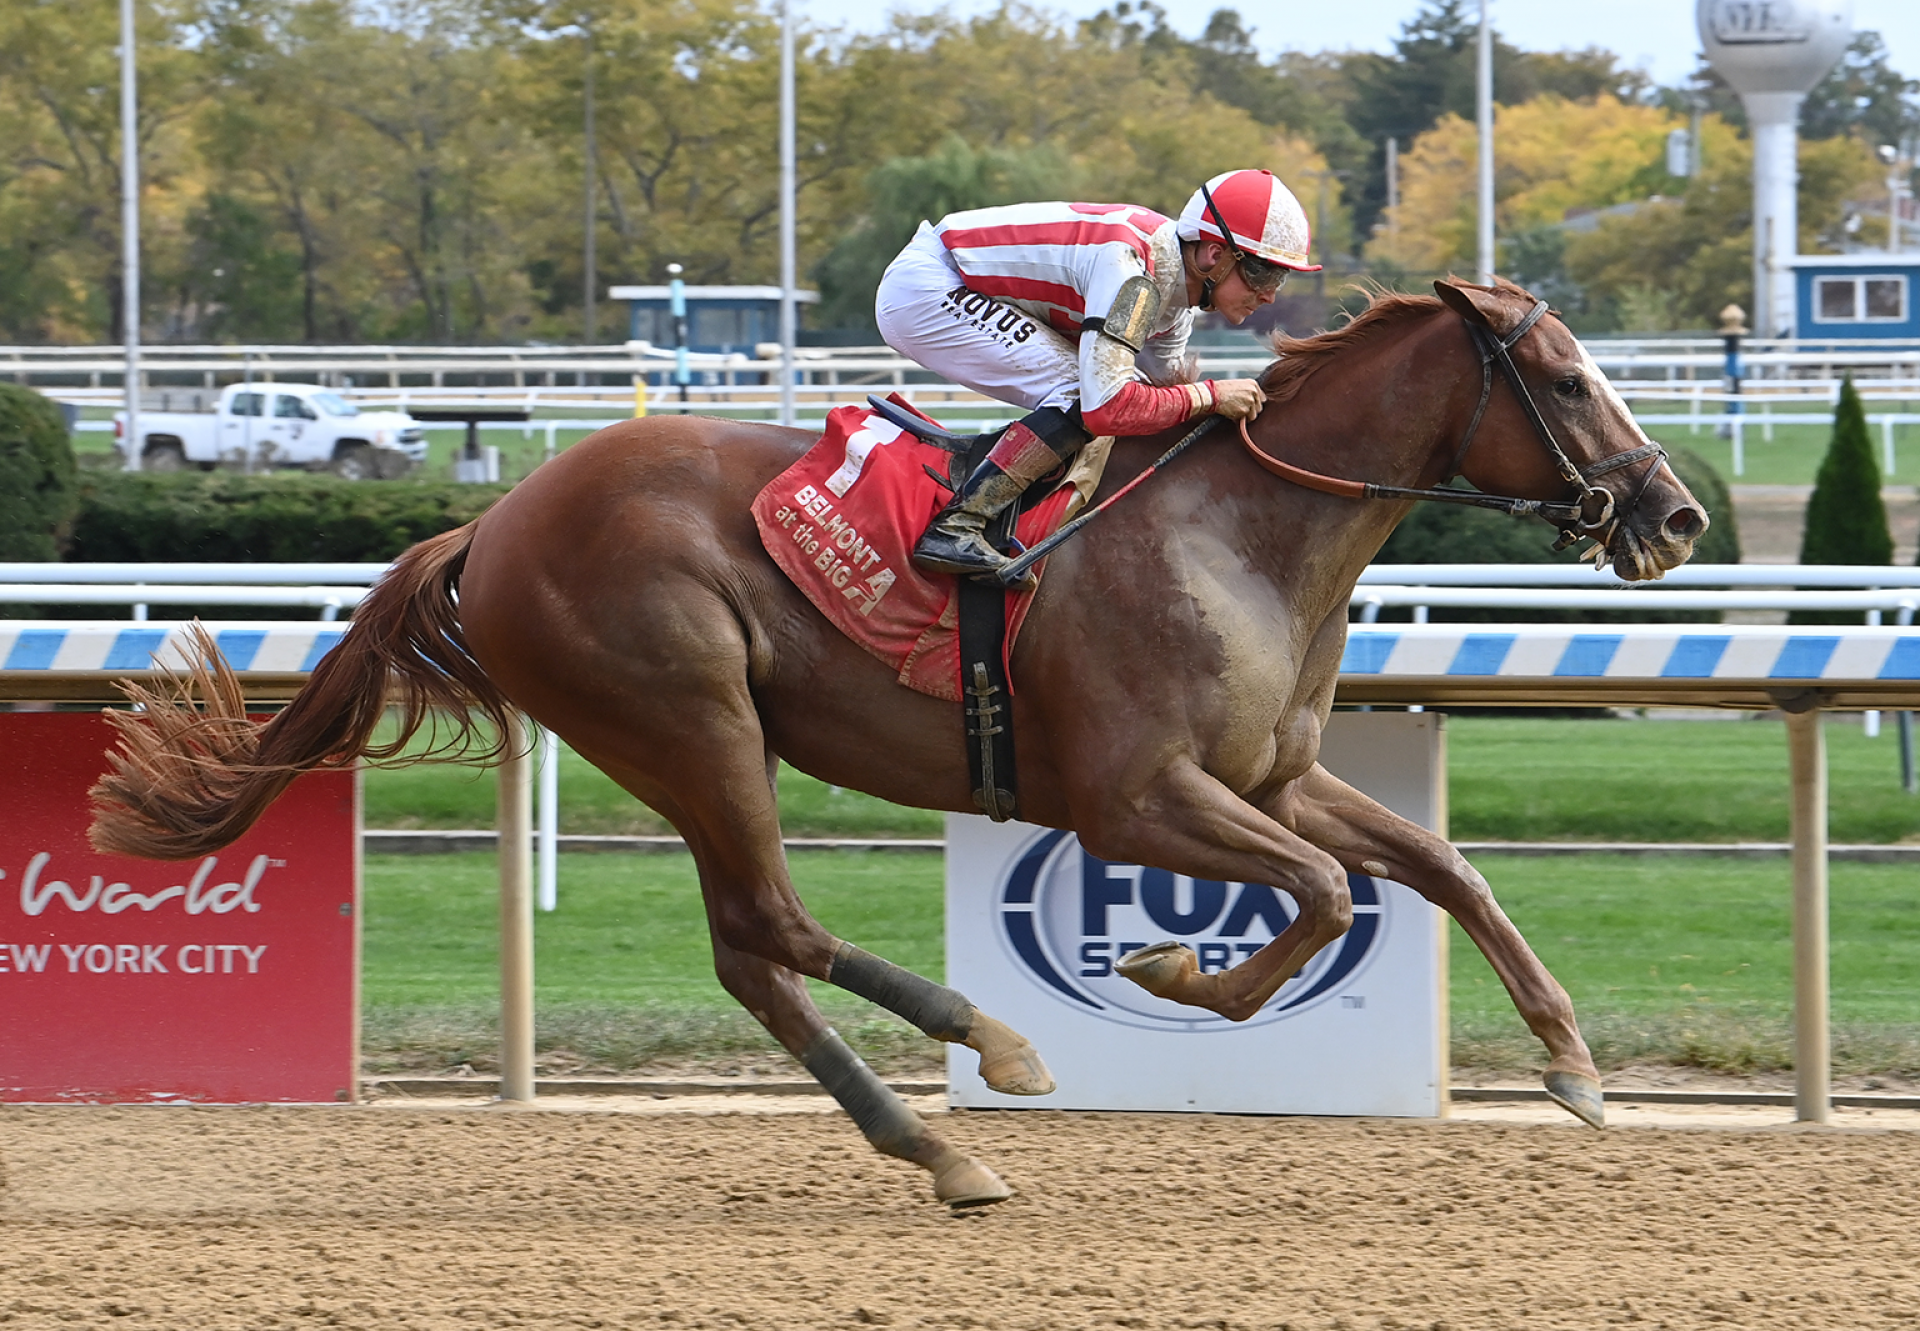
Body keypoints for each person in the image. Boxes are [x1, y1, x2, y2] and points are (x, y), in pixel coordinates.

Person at [874, 168, 1320, 585]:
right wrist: (1210, 394)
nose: (1268, 294)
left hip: (958, 279)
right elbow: (1106, 407)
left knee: (1132, 396)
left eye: (1279, 277)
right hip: (930, 288)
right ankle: (957, 525)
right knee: (1082, 394)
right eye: (1261, 271)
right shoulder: (1132, 273)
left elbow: (1165, 401)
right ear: (1213, 254)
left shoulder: (1173, 294)